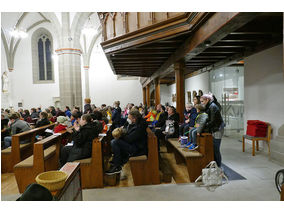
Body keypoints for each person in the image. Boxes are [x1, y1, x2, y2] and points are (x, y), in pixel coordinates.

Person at [106, 109, 148, 175]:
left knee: (115, 142)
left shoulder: (140, 127)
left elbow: (130, 139)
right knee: (114, 141)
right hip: (133, 145)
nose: (128, 120)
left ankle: (117, 165)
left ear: (134, 118)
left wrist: (121, 135)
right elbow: (127, 131)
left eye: (129, 118)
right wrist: (122, 130)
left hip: (138, 149)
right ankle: (117, 162)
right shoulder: (134, 123)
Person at [201, 94, 224, 167]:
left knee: (216, 149)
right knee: (213, 148)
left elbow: (213, 121)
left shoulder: (213, 106)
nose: (202, 103)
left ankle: (218, 166)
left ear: (207, 100)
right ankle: (215, 165)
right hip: (215, 128)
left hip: (217, 129)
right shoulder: (210, 106)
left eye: (202, 101)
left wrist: (205, 126)